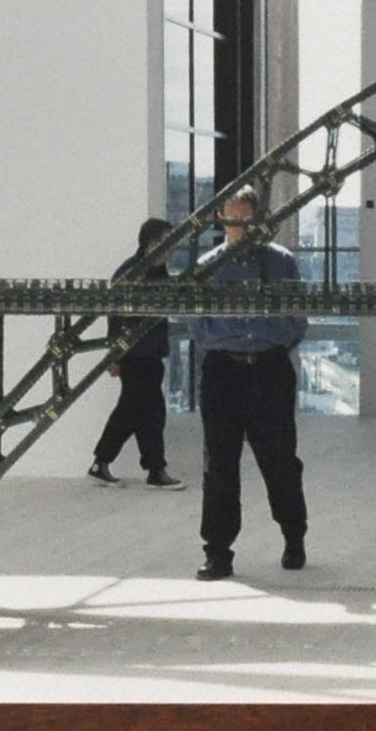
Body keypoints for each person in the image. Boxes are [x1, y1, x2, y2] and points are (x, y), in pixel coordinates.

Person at [190, 189, 310, 581]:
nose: (238, 227)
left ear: (257, 219)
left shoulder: (281, 262)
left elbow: (297, 317)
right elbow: (196, 323)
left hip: (268, 371)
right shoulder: (207, 266)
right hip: (223, 372)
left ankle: (294, 535)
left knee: (280, 460)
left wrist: (274, 341)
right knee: (219, 464)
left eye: (245, 219)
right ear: (221, 219)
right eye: (232, 219)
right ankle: (218, 552)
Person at [89, 217, 184, 488]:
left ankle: (111, 464)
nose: (172, 247)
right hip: (135, 355)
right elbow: (115, 315)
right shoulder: (132, 273)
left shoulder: (156, 272)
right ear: (150, 242)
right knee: (144, 412)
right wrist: (115, 357)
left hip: (148, 353)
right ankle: (152, 469)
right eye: (166, 240)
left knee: (138, 412)